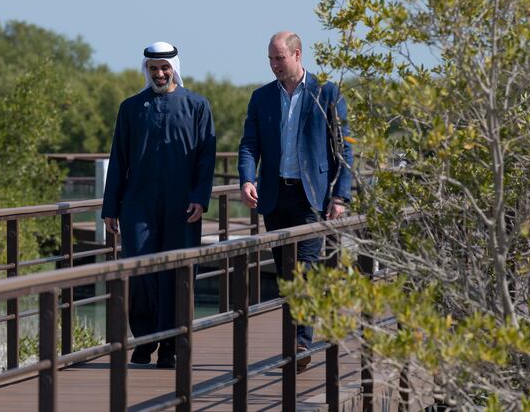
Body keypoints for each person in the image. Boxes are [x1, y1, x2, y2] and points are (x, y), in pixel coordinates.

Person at [238, 31, 353, 372]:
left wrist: (340, 195)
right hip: (275, 196)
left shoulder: (326, 93)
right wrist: (247, 178)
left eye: (279, 58)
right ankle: (297, 341)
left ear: (297, 54)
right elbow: (249, 145)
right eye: (270, 59)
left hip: (310, 196)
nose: (274, 65)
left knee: (304, 270)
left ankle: (300, 343)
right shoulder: (261, 98)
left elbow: (344, 147)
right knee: (287, 276)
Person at [102, 41, 216, 369]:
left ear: (174, 68)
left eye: (164, 68)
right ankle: (143, 339)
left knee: (176, 272)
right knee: (138, 270)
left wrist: (200, 199)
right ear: (147, 70)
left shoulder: (197, 106)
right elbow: (119, 156)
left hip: (182, 207)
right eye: (153, 68)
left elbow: (206, 160)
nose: (160, 74)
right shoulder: (130, 108)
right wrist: (111, 207)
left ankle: (171, 344)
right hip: (137, 205)